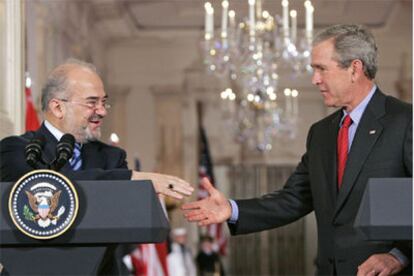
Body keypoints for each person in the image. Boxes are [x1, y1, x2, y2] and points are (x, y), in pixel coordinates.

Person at [183, 24, 412, 276]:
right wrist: (232, 209)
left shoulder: (404, 121)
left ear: (354, 69)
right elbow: (295, 198)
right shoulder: (321, 133)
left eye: (321, 69)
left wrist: (399, 256)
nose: (315, 79)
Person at [0, 58, 194, 274]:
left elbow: (124, 222)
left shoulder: (111, 158)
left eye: (104, 102)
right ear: (58, 107)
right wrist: (131, 179)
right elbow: (45, 185)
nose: (102, 111)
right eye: (92, 102)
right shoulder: (17, 150)